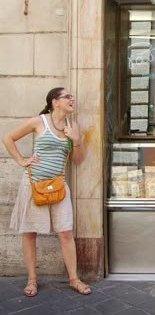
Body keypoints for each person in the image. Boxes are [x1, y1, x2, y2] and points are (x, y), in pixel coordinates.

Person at [2, 87, 92, 297]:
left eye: (72, 96)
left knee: (66, 232)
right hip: (33, 185)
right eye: (67, 96)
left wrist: (76, 140)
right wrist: (22, 161)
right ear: (55, 102)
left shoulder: (73, 126)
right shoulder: (39, 121)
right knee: (30, 233)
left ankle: (74, 279)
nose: (72, 99)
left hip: (59, 186)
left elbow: (78, 161)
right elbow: (8, 138)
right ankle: (32, 280)